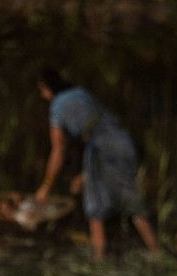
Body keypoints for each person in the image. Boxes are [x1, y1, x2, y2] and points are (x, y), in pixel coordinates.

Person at [34, 71, 160, 259]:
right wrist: (85, 175)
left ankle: (98, 259)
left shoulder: (57, 107)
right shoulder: (80, 93)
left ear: (47, 88)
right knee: (132, 200)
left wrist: (46, 186)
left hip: (102, 148)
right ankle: (156, 251)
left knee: (96, 209)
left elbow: (58, 151)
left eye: (42, 91)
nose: (43, 96)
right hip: (123, 143)